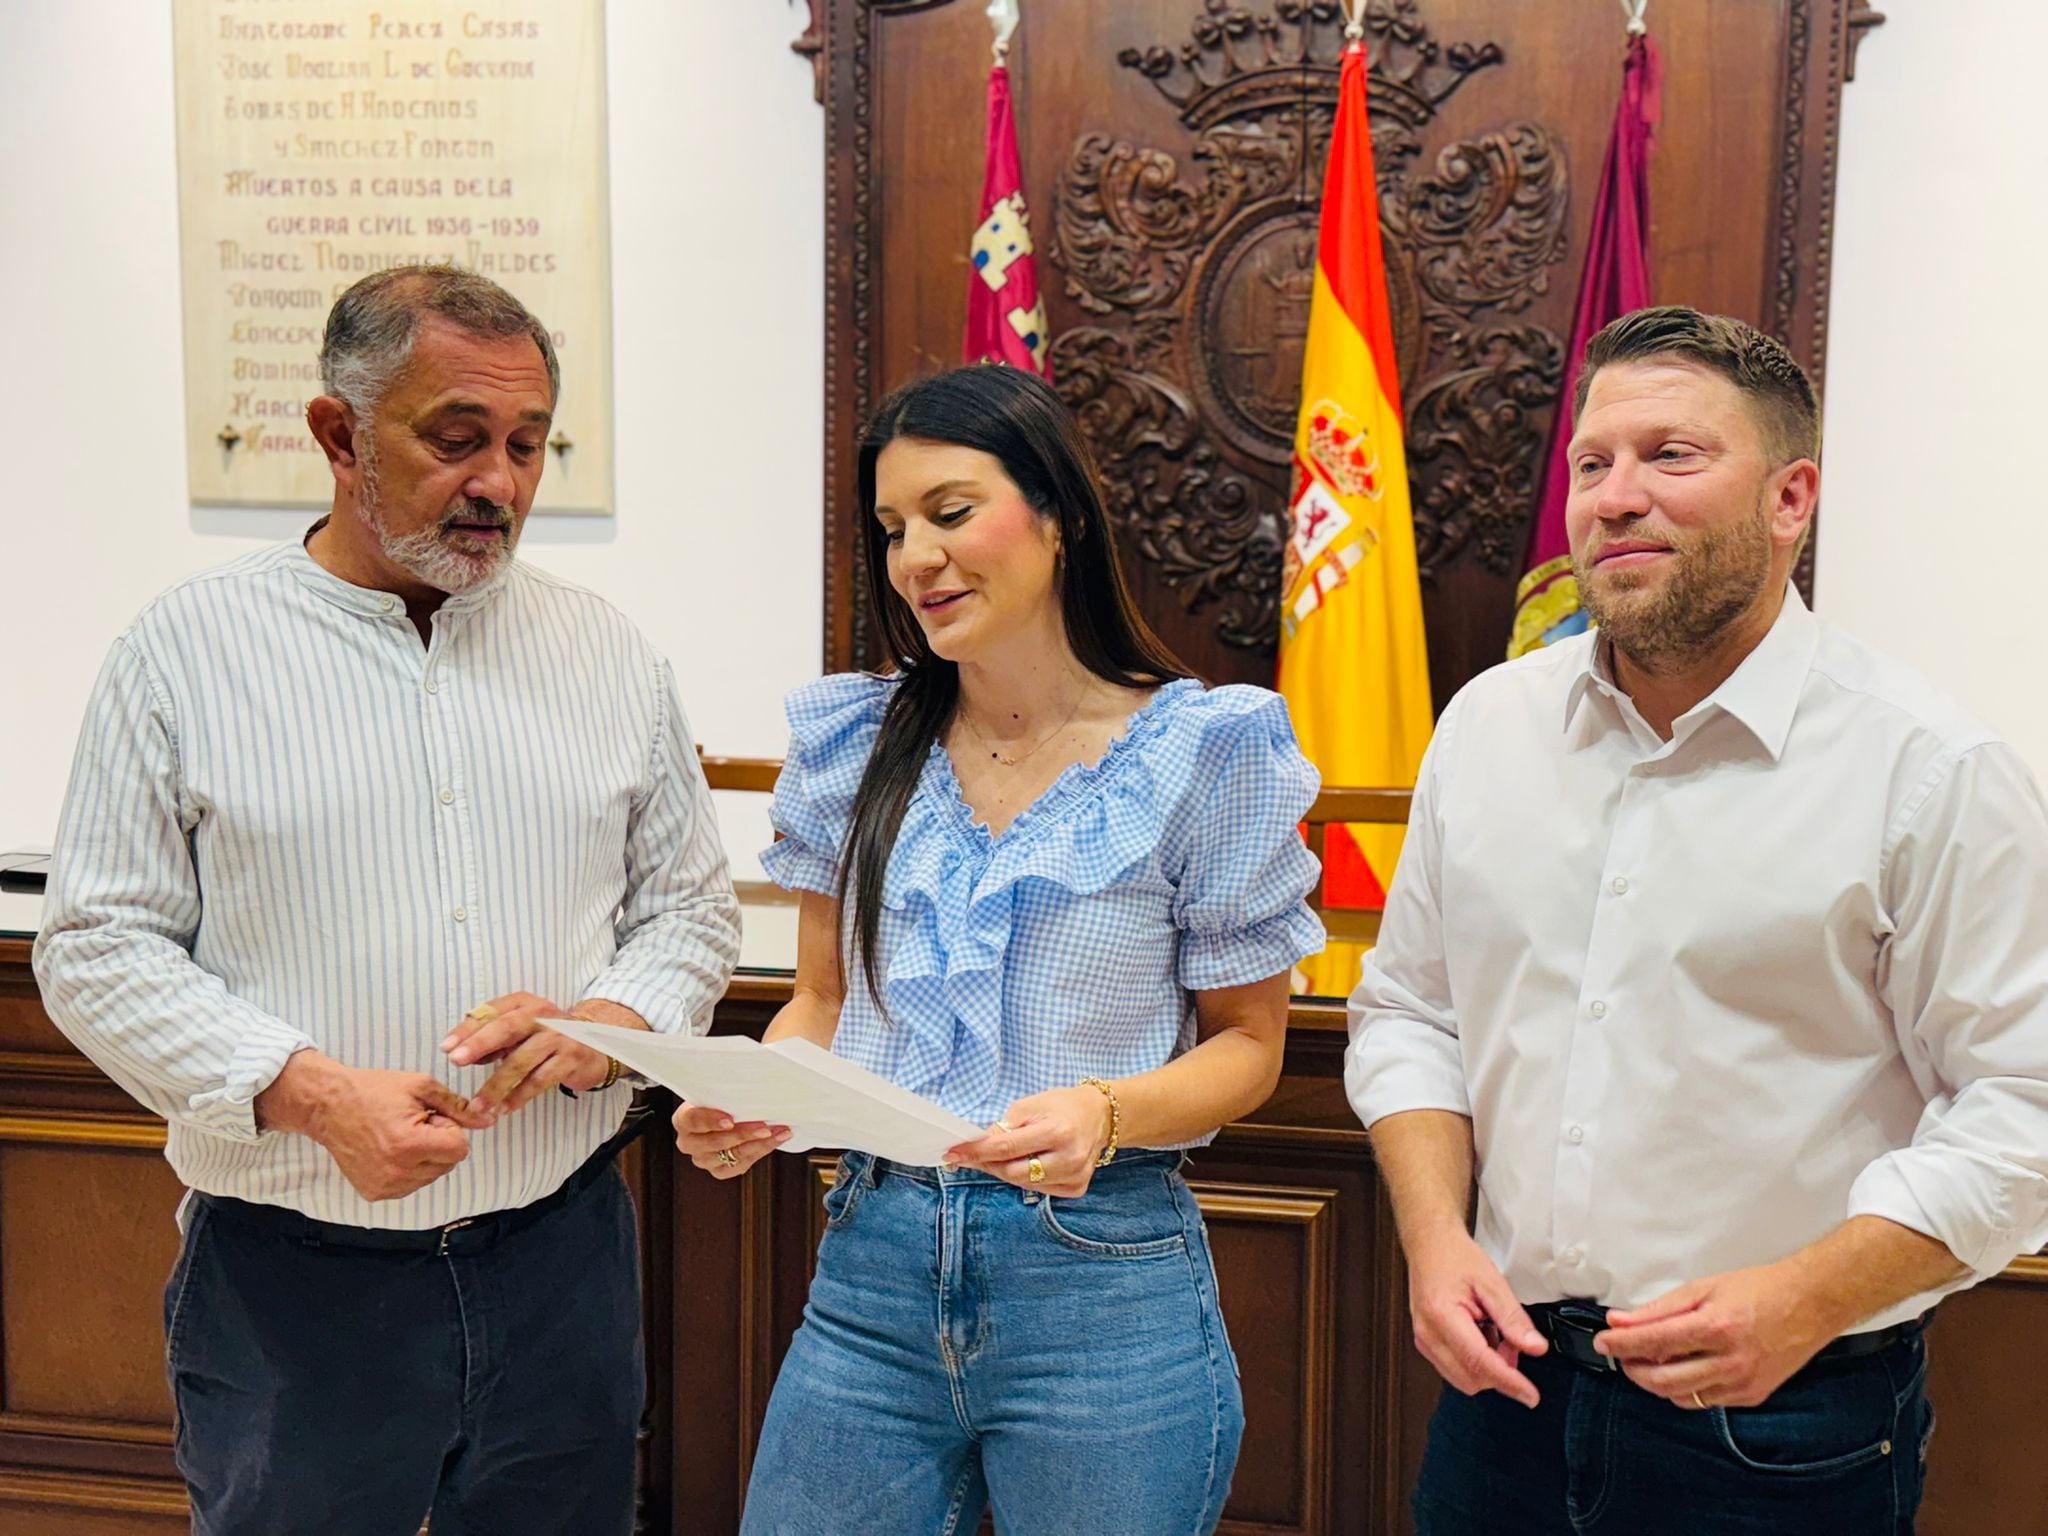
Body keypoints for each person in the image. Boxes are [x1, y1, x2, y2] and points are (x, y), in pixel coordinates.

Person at [34, 265, 740, 1536]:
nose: (501, 485)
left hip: (561, 1264)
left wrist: (611, 1019)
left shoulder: (607, 654)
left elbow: (688, 909)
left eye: (528, 446)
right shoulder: (181, 656)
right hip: (293, 1288)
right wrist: (308, 1092)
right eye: (456, 440)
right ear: (337, 435)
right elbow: (95, 947)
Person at [1345, 305, 2048, 1534]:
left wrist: (1804, 1299)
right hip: (1499, 1393)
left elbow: (2021, 1109)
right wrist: (1432, 1237)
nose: (1614, 497)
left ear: (1790, 499)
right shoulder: (1486, 729)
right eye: (1591, 463)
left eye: (1670, 456)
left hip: (1783, 1419)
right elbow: (1409, 1009)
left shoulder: (1928, 769)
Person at [673, 363, 1323, 1534]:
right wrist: (760, 1099)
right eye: (891, 528)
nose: (917, 556)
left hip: (1100, 1280)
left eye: (951, 511)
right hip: (871, 1267)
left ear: (1057, 517)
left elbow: (1248, 1048)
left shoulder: (1204, 752)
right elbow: (816, 1000)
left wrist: (1103, 1112)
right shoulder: (856, 741)